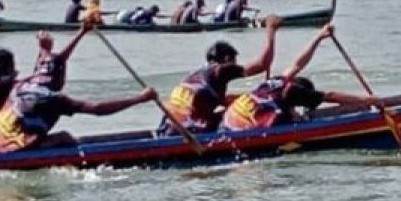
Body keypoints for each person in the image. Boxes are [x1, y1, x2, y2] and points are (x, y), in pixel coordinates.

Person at [222, 24, 381, 131]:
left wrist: (319, 37)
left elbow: (298, 64)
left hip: (228, 119)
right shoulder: (295, 91)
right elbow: (330, 95)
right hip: (242, 128)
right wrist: (368, 100)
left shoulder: (276, 81)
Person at [159, 16, 282, 135]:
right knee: (233, 119)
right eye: (234, 61)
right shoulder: (221, 71)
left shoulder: (196, 76)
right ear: (227, 59)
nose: (236, 65)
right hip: (187, 132)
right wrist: (271, 30)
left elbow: (214, 101)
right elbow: (263, 64)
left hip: (167, 127)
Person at [0, 83, 156, 154]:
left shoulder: (19, 87)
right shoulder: (56, 100)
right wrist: (139, 99)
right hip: (13, 149)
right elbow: (97, 109)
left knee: (66, 138)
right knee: (65, 138)